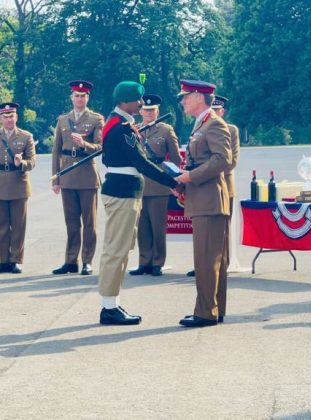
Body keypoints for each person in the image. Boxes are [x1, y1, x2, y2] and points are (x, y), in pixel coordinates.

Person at [97, 81, 179, 325]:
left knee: (121, 249)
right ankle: (109, 307)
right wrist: (172, 182)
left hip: (124, 189)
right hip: (122, 191)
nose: (142, 104)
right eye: (138, 100)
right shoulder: (121, 128)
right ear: (126, 101)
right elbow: (141, 163)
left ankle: (113, 304)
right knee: (116, 250)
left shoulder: (119, 123)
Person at [174, 80, 232, 327]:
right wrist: (184, 180)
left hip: (210, 199)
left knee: (207, 259)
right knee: (209, 258)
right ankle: (213, 309)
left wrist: (191, 176)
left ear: (199, 96)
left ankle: (206, 312)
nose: (183, 101)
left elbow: (223, 160)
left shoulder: (214, 123)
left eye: (186, 96)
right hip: (202, 197)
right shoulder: (202, 124)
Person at [51, 80, 104, 276]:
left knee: (89, 223)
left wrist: (84, 144)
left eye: (83, 96)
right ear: (71, 97)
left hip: (87, 175)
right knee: (71, 222)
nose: (79, 99)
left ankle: (87, 261)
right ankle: (70, 260)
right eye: (76, 95)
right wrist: (56, 178)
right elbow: (56, 150)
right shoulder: (63, 120)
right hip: (67, 175)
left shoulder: (96, 119)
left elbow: (100, 147)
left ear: (87, 98)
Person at [185, 94, 240, 278]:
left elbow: (228, 161)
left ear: (221, 111)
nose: (213, 113)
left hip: (219, 186)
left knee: (219, 237)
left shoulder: (225, 128)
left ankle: (220, 265)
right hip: (203, 186)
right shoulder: (200, 126)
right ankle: (206, 266)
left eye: (217, 111)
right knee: (206, 242)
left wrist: (196, 176)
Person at [128, 94, 181, 277]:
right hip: (140, 182)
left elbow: (175, 159)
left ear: (157, 111)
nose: (149, 113)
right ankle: (144, 262)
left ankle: (158, 262)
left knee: (158, 226)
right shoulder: (134, 130)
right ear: (140, 111)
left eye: (152, 110)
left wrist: (175, 182)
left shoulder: (166, 130)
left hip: (159, 184)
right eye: (146, 110)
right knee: (142, 227)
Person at [0, 102, 36, 274]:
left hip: (18, 184)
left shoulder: (26, 136)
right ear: (0, 119)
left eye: (12, 116)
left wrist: (21, 163)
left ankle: (16, 260)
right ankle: (2, 260)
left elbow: (32, 163)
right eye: (5, 116)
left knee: (18, 225)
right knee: (0, 225)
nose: (9, 119)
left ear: (17, 117)